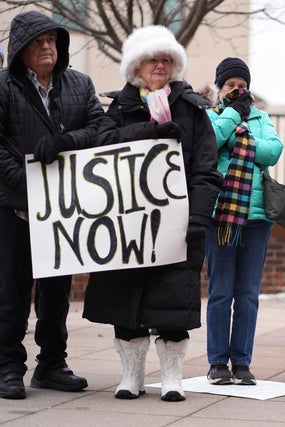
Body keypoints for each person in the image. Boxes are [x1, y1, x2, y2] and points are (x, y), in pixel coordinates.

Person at [82, 25, 222, 402]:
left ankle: (172, 376)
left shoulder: (193, 110)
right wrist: (150, 131)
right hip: (127, 225)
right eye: (151, 59)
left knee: (173, 300)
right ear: (136, 67)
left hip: (178, 225)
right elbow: (99, 147)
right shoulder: (120, 108)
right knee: (126, 302)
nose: (159, 66)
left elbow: (207, 169)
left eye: (166, 60)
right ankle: (132, 375)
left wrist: (197, 217)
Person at [0, 11, 104, 400]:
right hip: (16, 208)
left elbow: (100, 129)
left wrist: (67, 142)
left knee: (57, 292)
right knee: (12, 292)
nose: (47, 47)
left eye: (52, 40)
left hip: (63, 211)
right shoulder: (4, 86)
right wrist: (28, 184)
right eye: (37, 41)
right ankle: (8, 366)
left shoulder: (80, 84)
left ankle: (52, 364)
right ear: (20, 49)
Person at [204, 57, 284, 386]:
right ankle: (217, 362)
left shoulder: (262, 118)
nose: (237, 90)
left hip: (257, 217)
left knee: (248, 293)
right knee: (221, 291)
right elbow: (209, 141)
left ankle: (242, 361)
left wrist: (240, 138)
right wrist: (234, 118)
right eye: (230, 85)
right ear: (219, 88)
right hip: (221, 214)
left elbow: (273, 151)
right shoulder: (210, 115)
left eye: (242, 85)